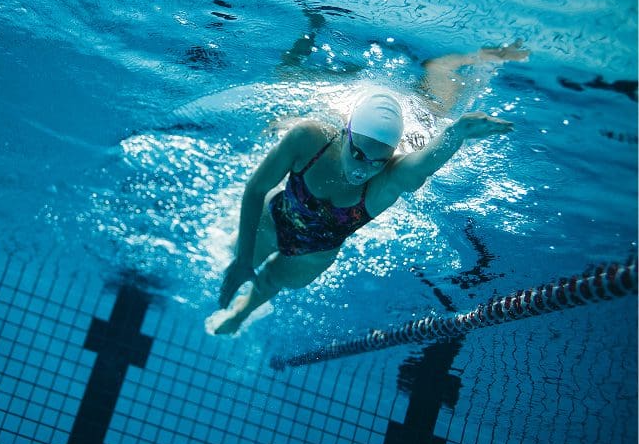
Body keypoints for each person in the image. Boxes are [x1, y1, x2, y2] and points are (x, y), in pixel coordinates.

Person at [211, 42, 528, 335]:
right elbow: (255, 189)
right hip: (271, 219)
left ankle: (240, 316)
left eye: (377, 161)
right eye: (358, 154)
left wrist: (458, 133)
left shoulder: (385, 181)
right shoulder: (309, 138)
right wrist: (241, 263)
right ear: (346, 135)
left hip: (312, 255)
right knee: (238, 254)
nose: (363, 169)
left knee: (270, 281)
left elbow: (423, 164)